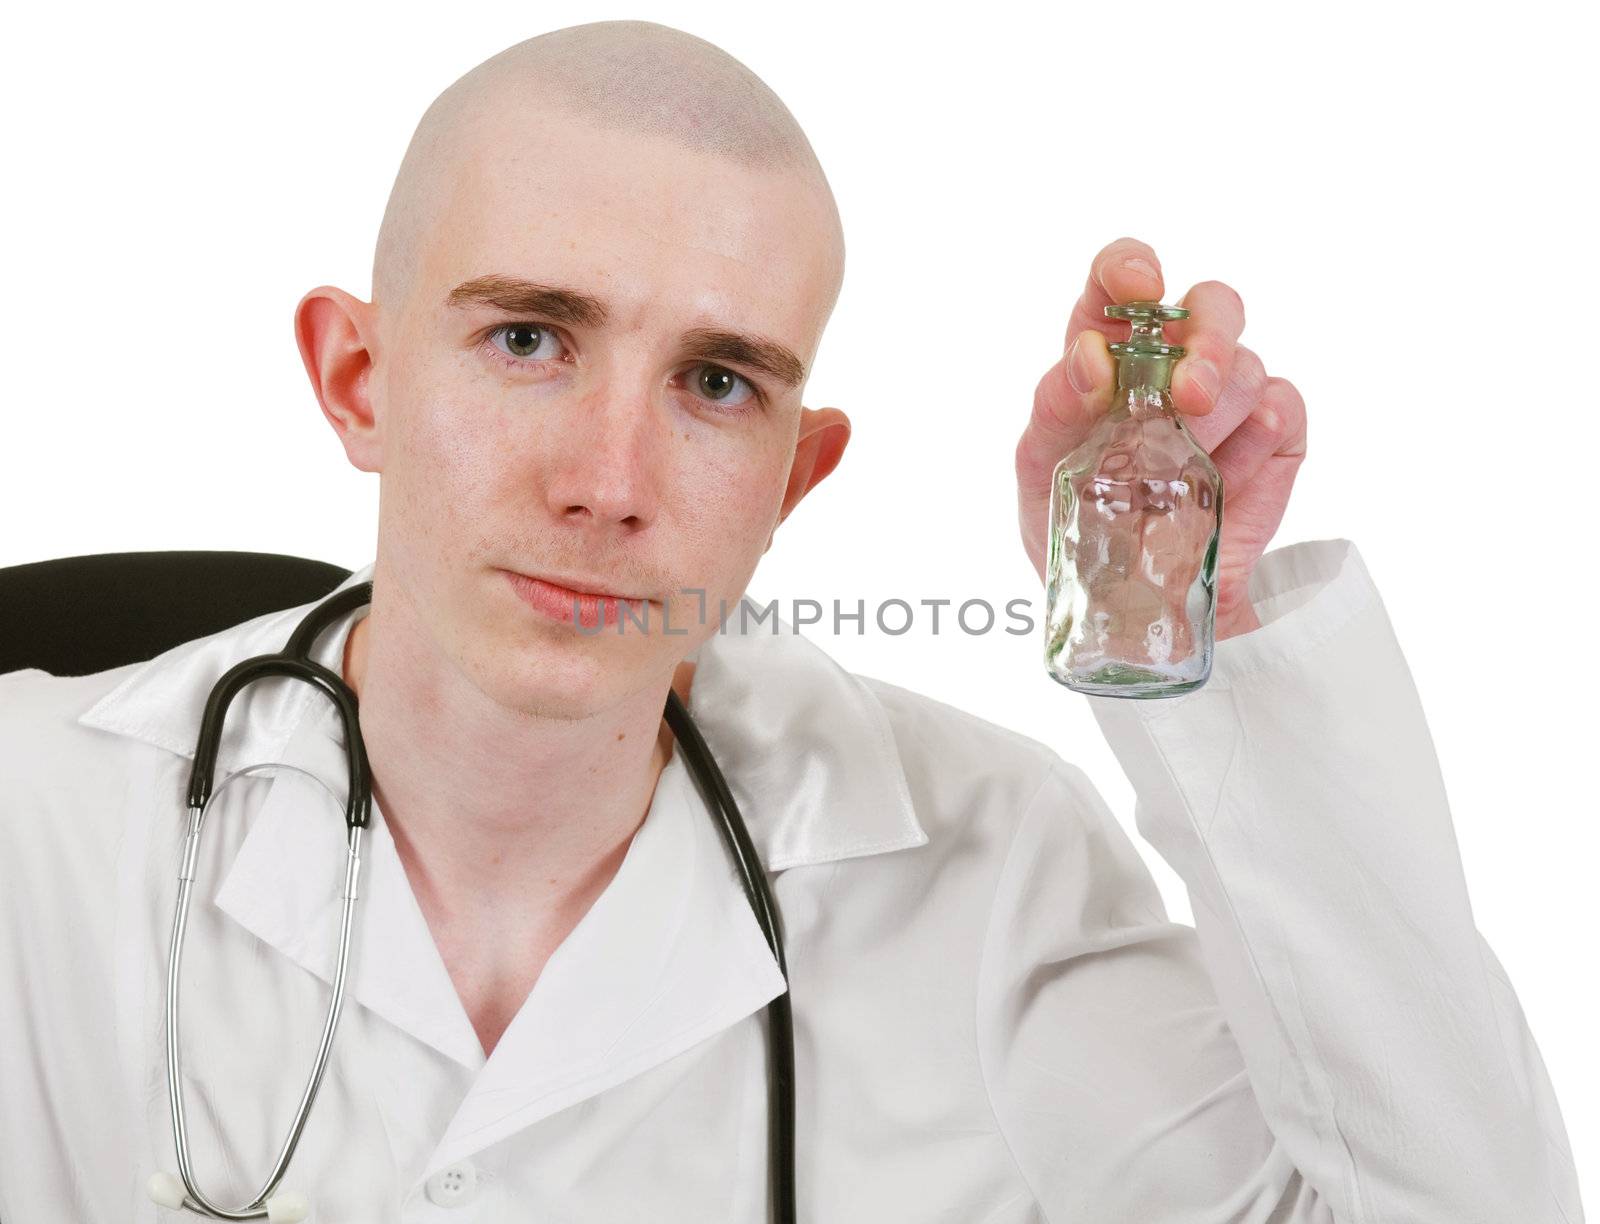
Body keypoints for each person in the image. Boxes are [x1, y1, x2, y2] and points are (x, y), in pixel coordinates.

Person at [0, 19, 1584, 1223]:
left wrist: (1191, 629)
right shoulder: (37, 830)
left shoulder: (980, 870)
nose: (608, 483)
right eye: (531, 338)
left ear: (796, 474)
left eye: (715, 383)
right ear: (357, 378)